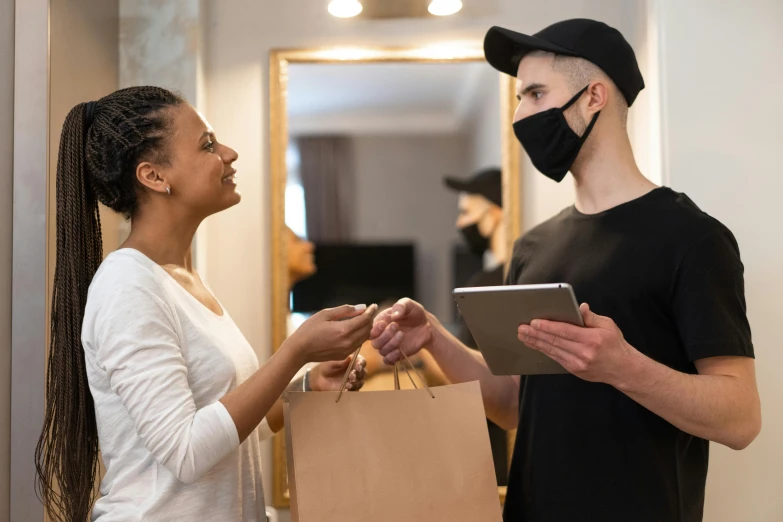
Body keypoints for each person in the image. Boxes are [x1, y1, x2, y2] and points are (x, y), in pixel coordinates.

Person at [371, 19, 761, 522]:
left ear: (594, 96)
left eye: (535, 94)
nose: (520, 116)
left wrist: (625, 367)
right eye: (518, 98)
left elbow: (741, 418)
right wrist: (434, 339)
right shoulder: (534, 247)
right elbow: (515, 404)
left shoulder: (692, 238)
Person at [35, 86, 377, 522]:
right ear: (154, 176)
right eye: (208, 145)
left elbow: (224, 426)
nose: (229, 153)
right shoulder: (127, 286)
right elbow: (188, 451)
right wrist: (296, 352)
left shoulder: (185, 281)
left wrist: (306, 386)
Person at [444, 167, 509, 485]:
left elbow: (468, 368)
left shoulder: (486, 285)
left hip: (491, 433)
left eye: (467, 212)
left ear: (494, 212)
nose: (460, 224)